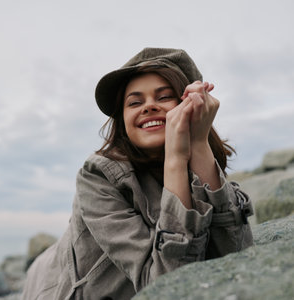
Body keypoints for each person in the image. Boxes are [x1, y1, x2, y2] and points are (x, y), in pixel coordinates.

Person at [21, 47, 254, 300]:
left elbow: (236, 255)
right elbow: (166, 285)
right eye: (135, 102)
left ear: (189, 105)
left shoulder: (201, 160)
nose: (149, 106)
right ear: (122, 120)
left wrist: (198, 143)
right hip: (51, 287)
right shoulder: (97, 175)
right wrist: (175, 158)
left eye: (164, 97)